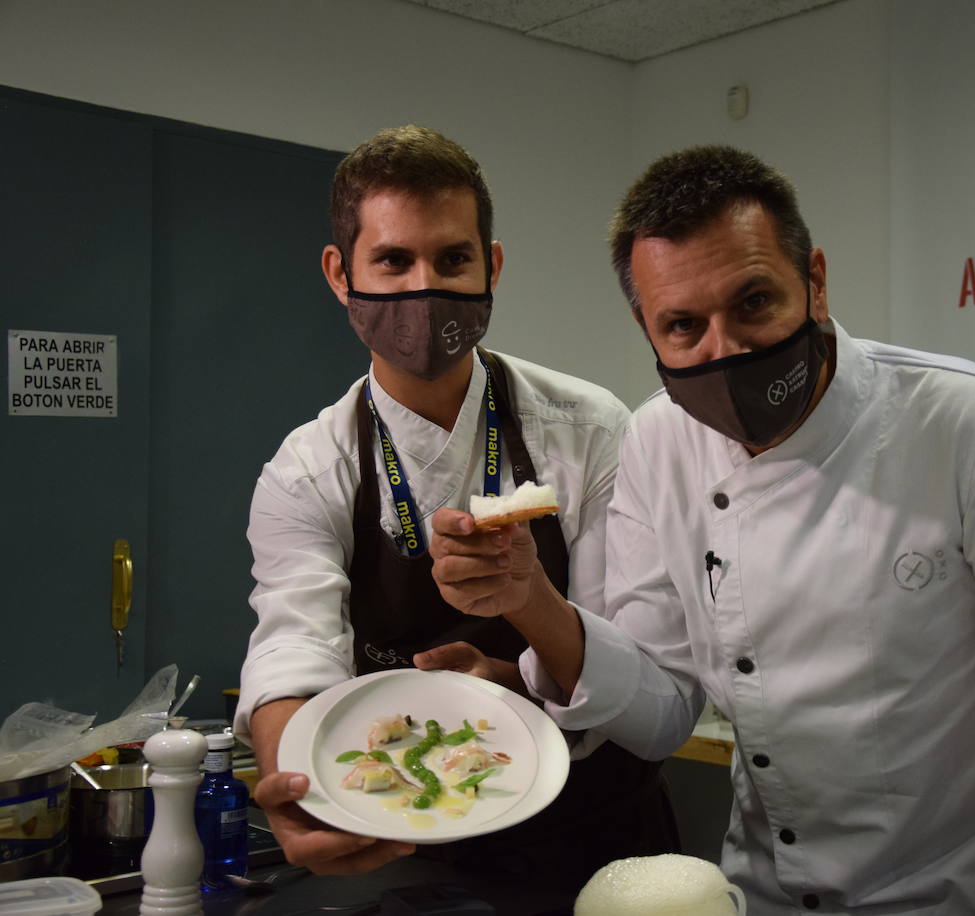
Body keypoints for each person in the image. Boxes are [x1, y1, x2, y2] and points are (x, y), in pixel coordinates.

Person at [430, 146, 975, 915]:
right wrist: (528, 596)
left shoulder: (966, 422)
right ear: (648, 330)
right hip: (764, 889)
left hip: (959, 893)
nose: (724, 348)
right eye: (682, 326)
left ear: (817, 281)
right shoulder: (656, 441)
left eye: (754, 303)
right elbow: (665, 705)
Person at [236, 125, 678, 912]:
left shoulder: (591, 429)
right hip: (411, 827)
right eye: (393, 262)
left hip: (604, 834)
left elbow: (653, 704)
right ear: (340, 274)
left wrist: (528, 610)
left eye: (452, 260)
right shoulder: (309, 469)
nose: (424, 288)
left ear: (492, 267)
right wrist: (295, 785)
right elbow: (293, 643)